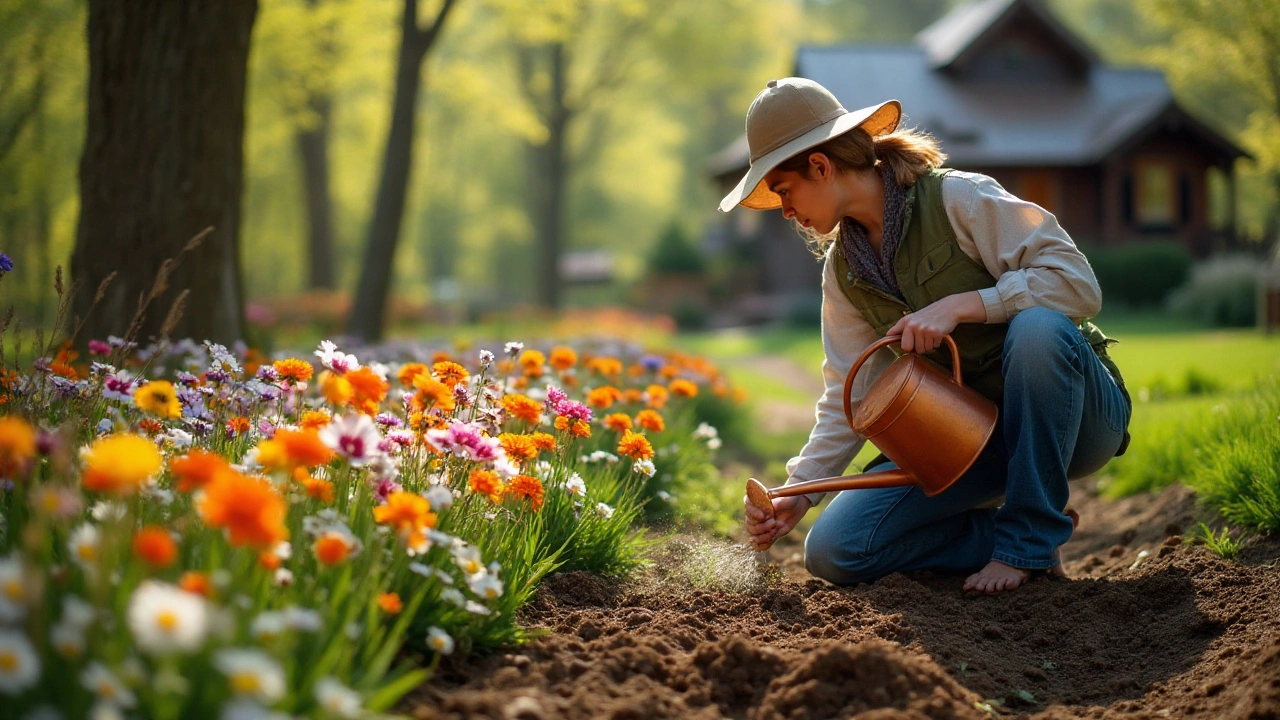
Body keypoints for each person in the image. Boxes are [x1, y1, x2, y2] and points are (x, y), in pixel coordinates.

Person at [721, 78, 1132, 594]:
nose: (783, 210)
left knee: (1037, 329)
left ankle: (1028, 540)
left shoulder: (960, 198)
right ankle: (1007, 537)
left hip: (1078, 419)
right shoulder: (841, 272)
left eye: (784, 190)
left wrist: (964, 305)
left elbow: (1077, 284)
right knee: (834, 550)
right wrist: (799, 492)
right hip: (968, 440)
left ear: (821, 167)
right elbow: (850, 391)